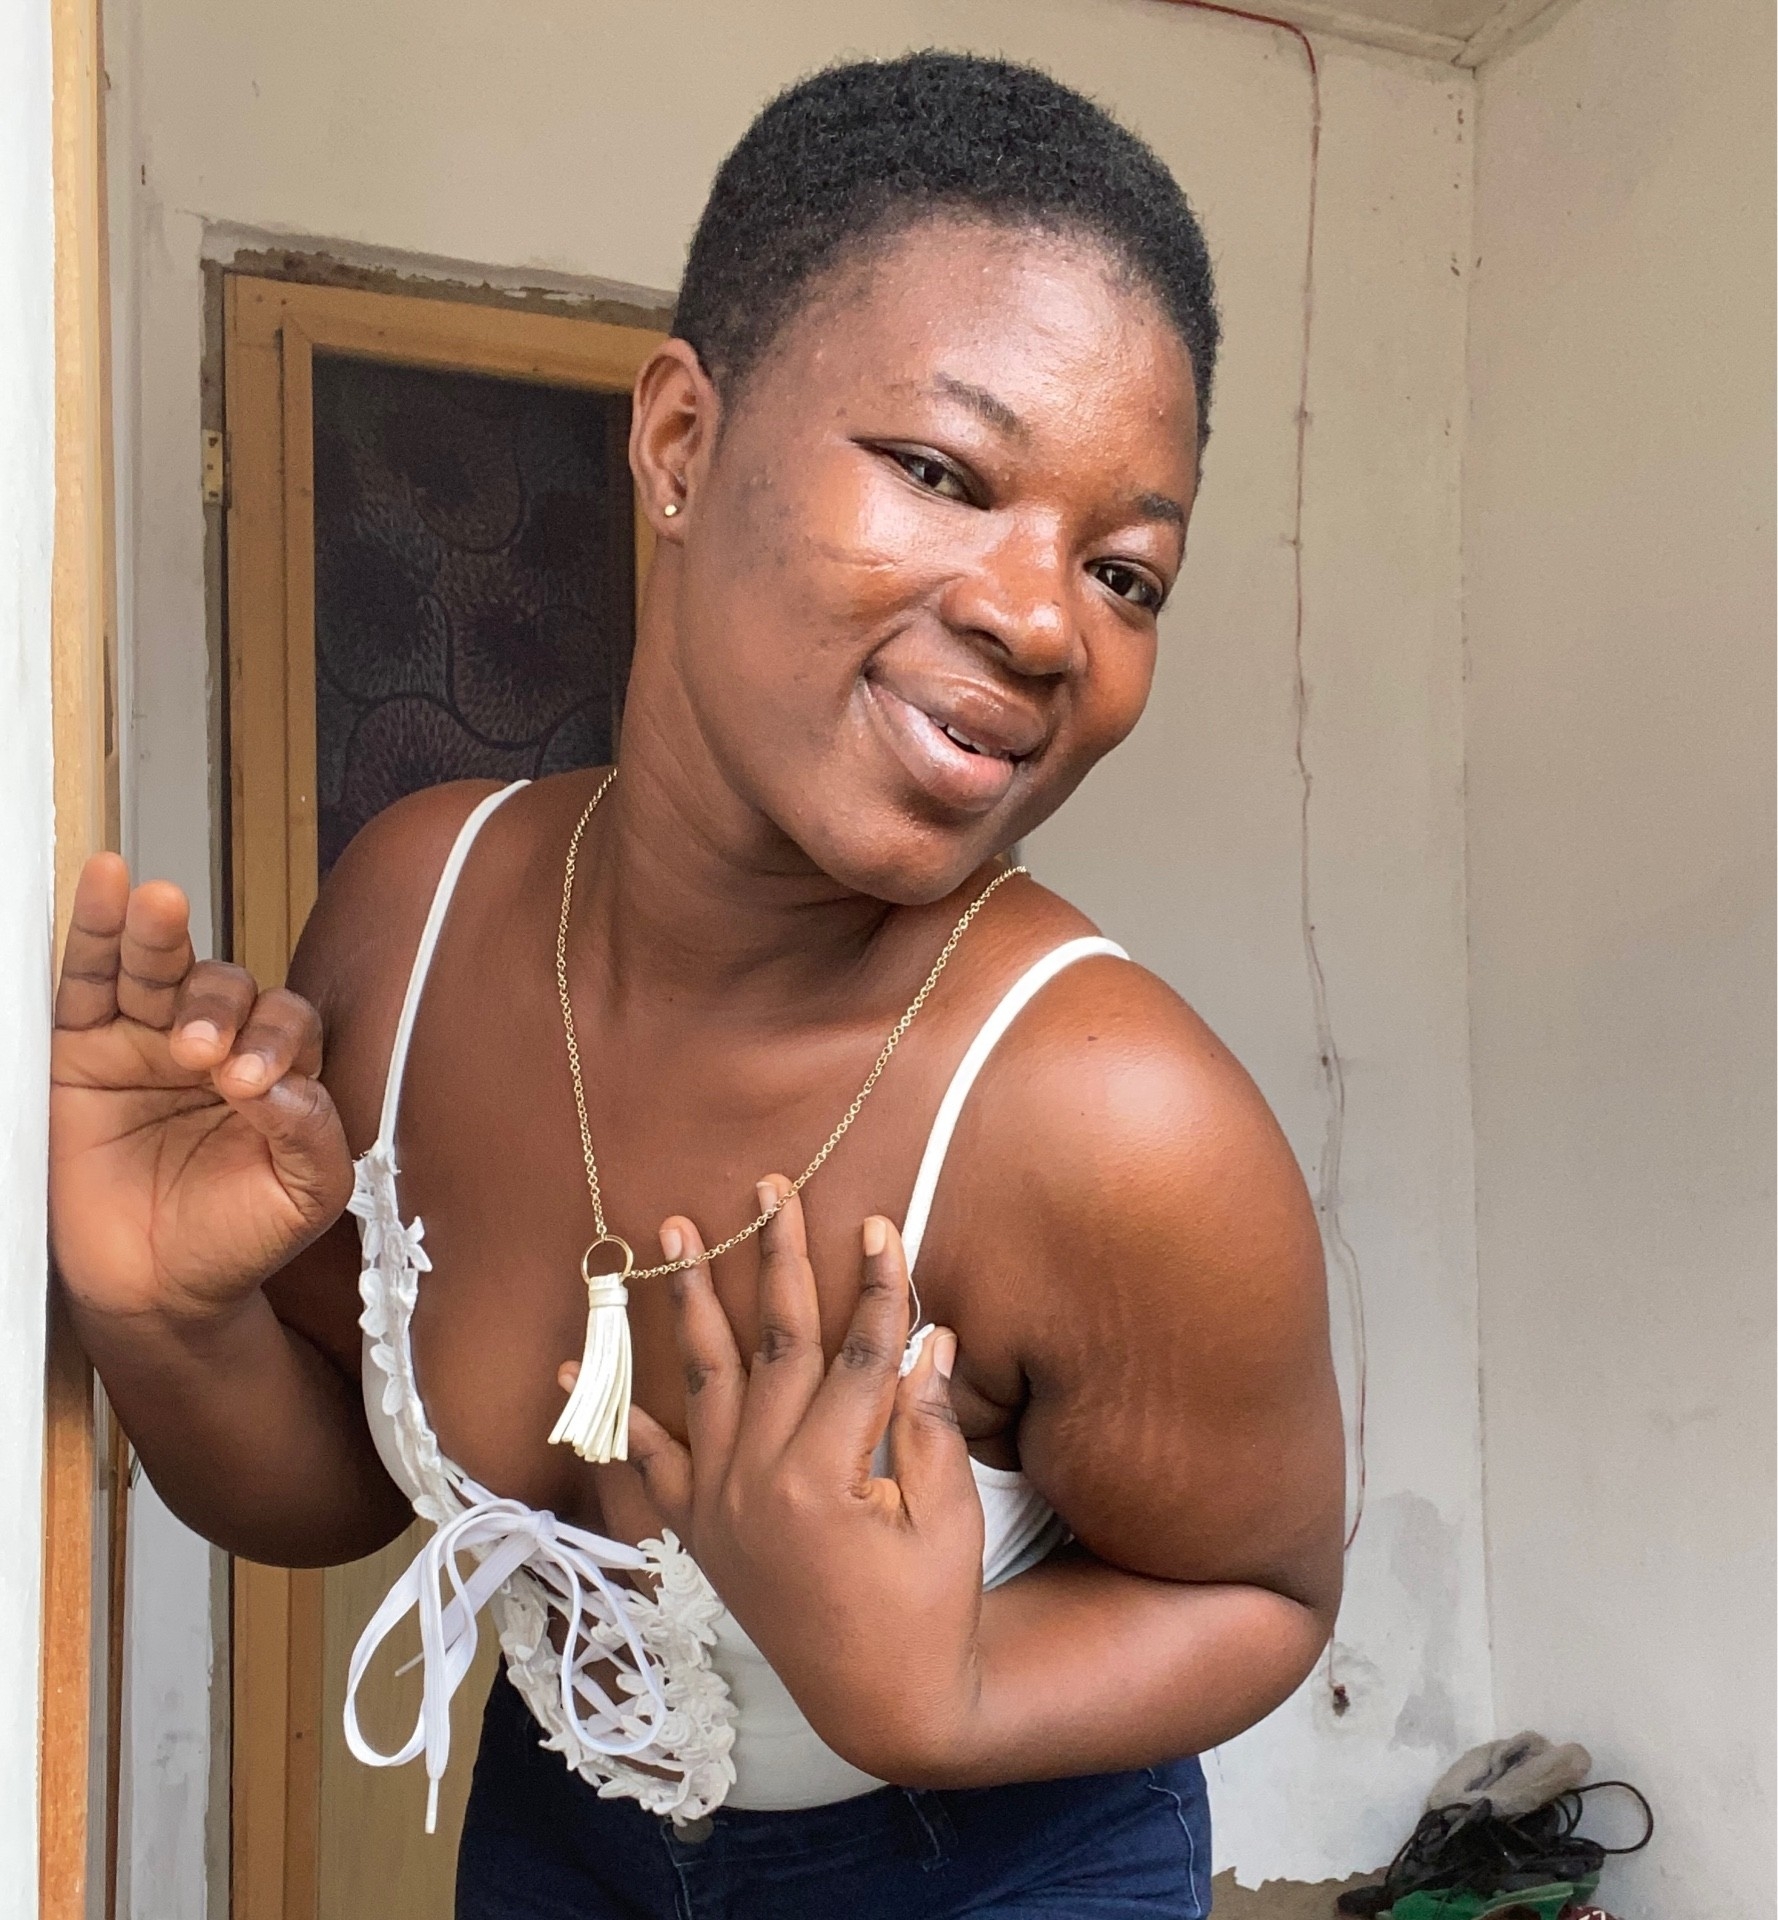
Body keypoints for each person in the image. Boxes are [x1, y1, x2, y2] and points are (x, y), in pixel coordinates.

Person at [49, 50, 1344, 1920]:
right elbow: (333, 1489)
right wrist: (162, 1316)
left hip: (994, 1867)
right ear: (676, 445)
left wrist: (945, 1693)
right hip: (561, 1833)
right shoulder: (417, 909)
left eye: (1125, 573)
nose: (1042, 618)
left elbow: (1264, 1594)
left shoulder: (1113, 1122)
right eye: (940, 473)